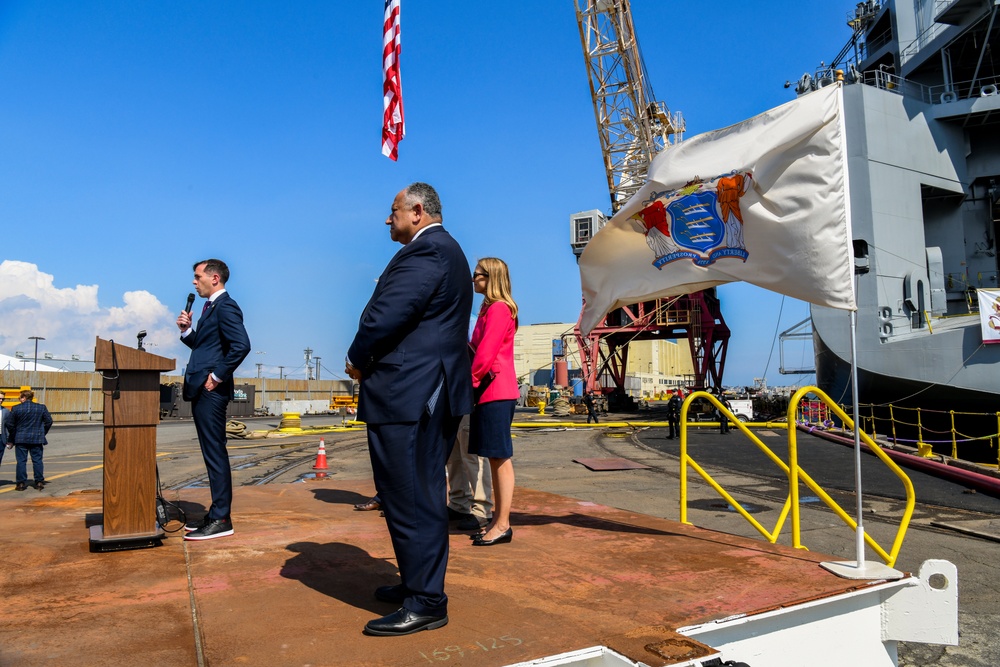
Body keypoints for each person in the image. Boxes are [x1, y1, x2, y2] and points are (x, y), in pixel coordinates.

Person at [345, 182, 473, 637]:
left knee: (412, 496)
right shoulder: (442, 251)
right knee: (406, 493)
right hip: (417, 389)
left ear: (417, 211)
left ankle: (427, 601)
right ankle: (417, 583)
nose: (388, 218)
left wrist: (357, 356)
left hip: (411, 391)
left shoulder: (428, 252)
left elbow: (389, 315)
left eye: (394, 209)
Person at [176, 259, 251, 541]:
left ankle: (221, 518)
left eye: (198, 277)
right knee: (211, 454)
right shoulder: (209, 308)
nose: (194, 282)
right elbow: (205, 347)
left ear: (215, 278)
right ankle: (216, 512)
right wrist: (187, 331)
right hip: (202, 388)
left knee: (215, 454)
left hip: (211, 390)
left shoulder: (226, 306)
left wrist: (217, 376)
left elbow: (241, 345)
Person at [468, 257, 519, 547]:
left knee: (500, 458)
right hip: (490, 391)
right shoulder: (490, 309)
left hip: (495, 391)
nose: (473, 279)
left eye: (478, 275)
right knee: (495, 457)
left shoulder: (499, 309)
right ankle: (498, 521)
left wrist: (469, 383)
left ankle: (502, 524)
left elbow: (485, 354)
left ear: (491, 278)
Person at [447, 414, 493, 531]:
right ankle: (458, 502)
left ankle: (482, 508)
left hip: (470, 403)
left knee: (473, 454)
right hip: (452, 402)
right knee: (454, 454)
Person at [9, 390, 53, 491]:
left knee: (21, 461)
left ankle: (20, 483)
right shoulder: (41, 407)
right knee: (37, 460)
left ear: (24, 397)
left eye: (20, 398)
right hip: (36, 438)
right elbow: (49, 421)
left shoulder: (16, 408)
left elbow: (10, 424)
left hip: (21, 438)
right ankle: (39, 481)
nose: (20, 400)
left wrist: (14, 434)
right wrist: (42, 432)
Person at [0, 399, 11, 471]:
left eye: (2, 399)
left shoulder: (6, 411)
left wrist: (8, 439)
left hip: (1, 437)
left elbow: (8, 426)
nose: (1, 400)